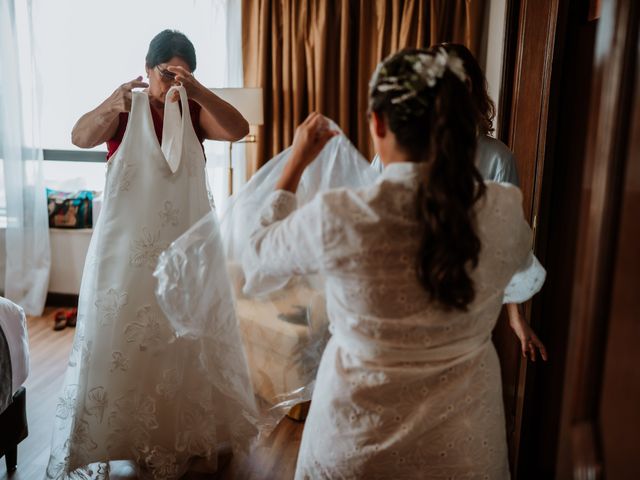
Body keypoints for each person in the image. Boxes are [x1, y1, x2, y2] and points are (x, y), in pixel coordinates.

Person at [244, 47, 546, 478]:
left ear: (378, 124)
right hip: (464, 444)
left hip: (356, 441)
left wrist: (297, 159)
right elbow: (516, 273)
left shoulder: (341, 214)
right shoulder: (500, 211)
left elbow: (257, 255)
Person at [46, 30, 256, 479]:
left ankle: (175, 434)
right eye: (168, 72)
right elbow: (80, 135)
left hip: (185, 256)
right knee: (124, 341)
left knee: (182, 343)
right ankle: (117, 436)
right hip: (126, 256)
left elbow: (239, 130)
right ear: (148, 67)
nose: (174, 81)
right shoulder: (125, 111)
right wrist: (110, 103)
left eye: (185, 73)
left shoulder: (195, 113)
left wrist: (196, 90)